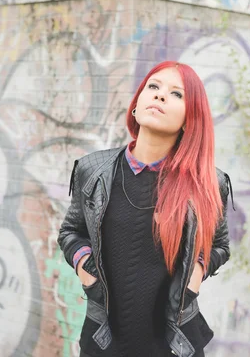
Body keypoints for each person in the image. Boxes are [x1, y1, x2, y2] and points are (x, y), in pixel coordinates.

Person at [58, 61, 232, 357]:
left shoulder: (208, 184)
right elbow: (71, 231)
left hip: (174, 345)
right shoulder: (93, 170)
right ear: (137, 105)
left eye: (177, 95)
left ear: (190, 119)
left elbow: (220, 245)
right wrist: (85, 268)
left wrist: (197, 272)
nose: (161, 96)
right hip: (103, 341)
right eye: (153, 87)